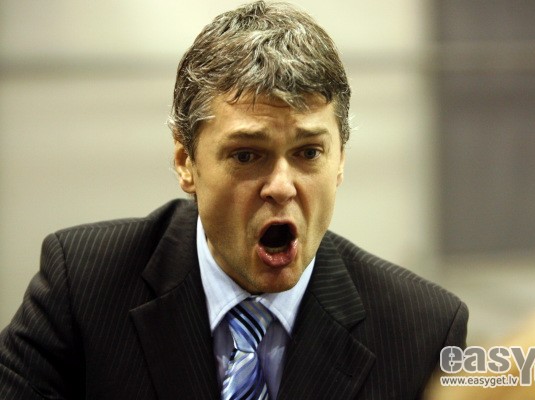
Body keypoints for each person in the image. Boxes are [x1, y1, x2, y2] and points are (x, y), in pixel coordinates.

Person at [0, 2, 468, 399]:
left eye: (308, 153)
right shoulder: (83, 287)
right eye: (247, 155)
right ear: (185, 161)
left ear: (341, 160)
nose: (281, 186)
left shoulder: (424, 329)